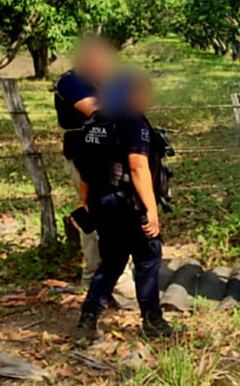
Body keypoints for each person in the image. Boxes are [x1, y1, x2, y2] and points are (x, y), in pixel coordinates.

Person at [75, 72, 175, 342]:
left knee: (111, 263)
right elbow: (138, 166)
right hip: (128, 204)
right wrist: (151, 210)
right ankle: (153, 321)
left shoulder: (95, 122)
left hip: (101, 203)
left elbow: (84, 168)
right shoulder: (134, 122)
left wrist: (83, 201)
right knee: (148, 258)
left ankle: (87, 322)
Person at [55, 37, 116, 286]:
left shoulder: (101, 83)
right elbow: (99, 111)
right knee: (93, 213)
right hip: (84, 159)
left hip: (107, 158)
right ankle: (95, 277)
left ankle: (106, 274)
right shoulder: (71, 82)